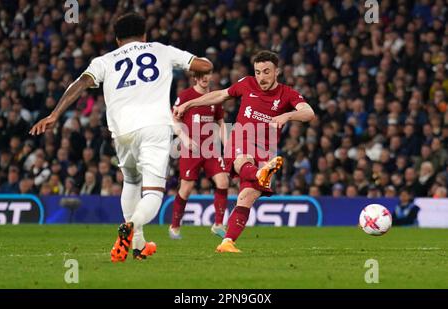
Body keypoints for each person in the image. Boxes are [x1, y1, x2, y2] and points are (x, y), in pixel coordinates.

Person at [29, 13, 213, 262]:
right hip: (155, 127)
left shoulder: (104, 60)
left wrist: (54, 114)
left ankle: (137, 245)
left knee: (131, 180)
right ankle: (131, 226)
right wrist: (197, 63)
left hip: (122, 131)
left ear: (117, 39)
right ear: (145, 35)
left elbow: (80, 84)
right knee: (153, 193)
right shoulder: (161, 50)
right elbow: (204, 66)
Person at [174, 51, 314, 252]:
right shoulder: (247, 83)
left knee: (247, 197)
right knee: (243, 159)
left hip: (266, 150)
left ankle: (227, 242)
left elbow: (309, 112)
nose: (261, 77)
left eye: (266, 72)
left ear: (277, 72)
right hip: (241, 138)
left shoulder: (287, 94)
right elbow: (221, 94)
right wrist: (189, 103)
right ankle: (259, 173)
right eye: (258, 72)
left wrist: (288, 116)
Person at [169, 71, 229, 239]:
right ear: (195, 77)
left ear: (211, 77)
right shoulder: (186, 95)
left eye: (207, 74)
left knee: (223, 181)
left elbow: (221, 123)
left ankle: (218, 224)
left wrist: (229, 145)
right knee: (186, 189)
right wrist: (184, 138)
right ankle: (174, 227)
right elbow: (174, 120)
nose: (204, 78)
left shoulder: (215, 97)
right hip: (191, 149)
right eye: (200, 75)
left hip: (211, 148)